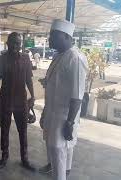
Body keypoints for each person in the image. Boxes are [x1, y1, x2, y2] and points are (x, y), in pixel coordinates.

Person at [38, 19, 88, 180]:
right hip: (53, 113)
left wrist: (70, 123)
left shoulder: (75, 58)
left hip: (64, 117)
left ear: (66, 36)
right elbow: (56, 83)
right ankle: (62, 172)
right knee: (56, 151)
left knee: (58, 151)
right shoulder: (59, 56)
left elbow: (77, 95)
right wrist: (45, 111)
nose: (49, 39)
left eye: (53, 35)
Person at [0, 32, 35, 171]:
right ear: (7, 43)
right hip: (5, 100)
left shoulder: (26, 58)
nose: (16, 45)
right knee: (4, 130)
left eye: (19, 43)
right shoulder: (1, 60)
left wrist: (32, 96)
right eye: (14, 42)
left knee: (23, 131)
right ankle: (4, 156)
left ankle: (25, 158)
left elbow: (29, 79)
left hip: (21, 101)